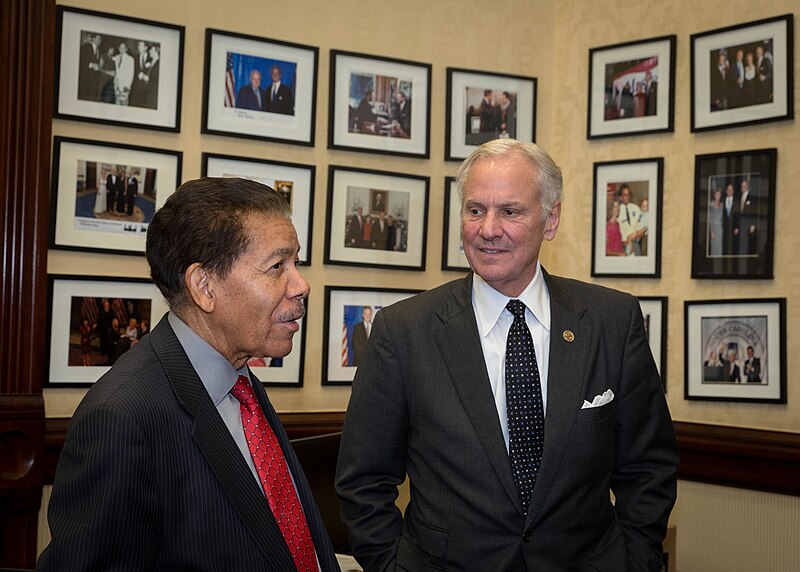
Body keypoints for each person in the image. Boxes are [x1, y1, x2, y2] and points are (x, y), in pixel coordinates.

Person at [336, 139, 678, 571]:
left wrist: (636, 561)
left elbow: (649, 468)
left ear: (550, 219)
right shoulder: (403, 332)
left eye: (510, 211)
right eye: (475, 210)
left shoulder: (611, 321)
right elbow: (363, 481)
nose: (488, 228)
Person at [38, 178, 339, 571]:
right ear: (203, 286)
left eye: (295, 263)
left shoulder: (239, 382)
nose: (301, 285)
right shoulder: (121, 418)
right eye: (277, 266)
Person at [617, 183, 643, 256]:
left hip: (635, 244)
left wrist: (633, 237)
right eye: (625, 195)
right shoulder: (617, 210)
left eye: (628, 194)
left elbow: (644, 225)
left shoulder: (636, 208)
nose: (628, 197)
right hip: (623, 245)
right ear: (620, 197)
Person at [78, 32, 102, 101]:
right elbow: (81, 60)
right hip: (86, 77)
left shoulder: (98, 49)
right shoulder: (86, 47)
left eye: (100, 39)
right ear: (93, 39)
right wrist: (91, 65)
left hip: (94, 78)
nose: (100, 41)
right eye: (98, 39)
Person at [738, 179, 758, 255]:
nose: (743, 187)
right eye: (742, 186)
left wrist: (753, 225)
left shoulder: (751, 197)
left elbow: (754, 211)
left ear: (747, 187)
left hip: (748, 225)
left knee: (749, 245)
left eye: (744, 185)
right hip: (741, 225)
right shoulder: (739, 197)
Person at [113, 41, 134, 106]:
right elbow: (117, 72)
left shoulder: (130, 59)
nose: (121, 49)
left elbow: (131, 74)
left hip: (125, 86)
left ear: (126, 49)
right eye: (120, 48)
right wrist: (115, 83)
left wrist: (127, 86)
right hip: (117, 86)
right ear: (118, 48)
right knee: (117, 104)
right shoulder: (116, 57)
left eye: (123, 48)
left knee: (124, 105)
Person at [721, 182, 739, 255]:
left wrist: (737, 226)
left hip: (733, 227)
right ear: (726, 191)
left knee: (732, 245)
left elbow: (737, 215)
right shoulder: (722, 201)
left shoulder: (736, 201)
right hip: (723, 226)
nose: (729, 191)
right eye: (728, 189)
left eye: (731, 189)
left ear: (733, 191)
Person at [708, 187, 724, 256]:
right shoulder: (711, 205)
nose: (718, 196)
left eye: (719, 194)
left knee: (719, 247)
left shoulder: (722, 205)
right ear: (714, 195)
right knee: (714, 247)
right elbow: (710, 219)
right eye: (716, 194)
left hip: (720, 228)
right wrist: (711, 231)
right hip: (714, 228)